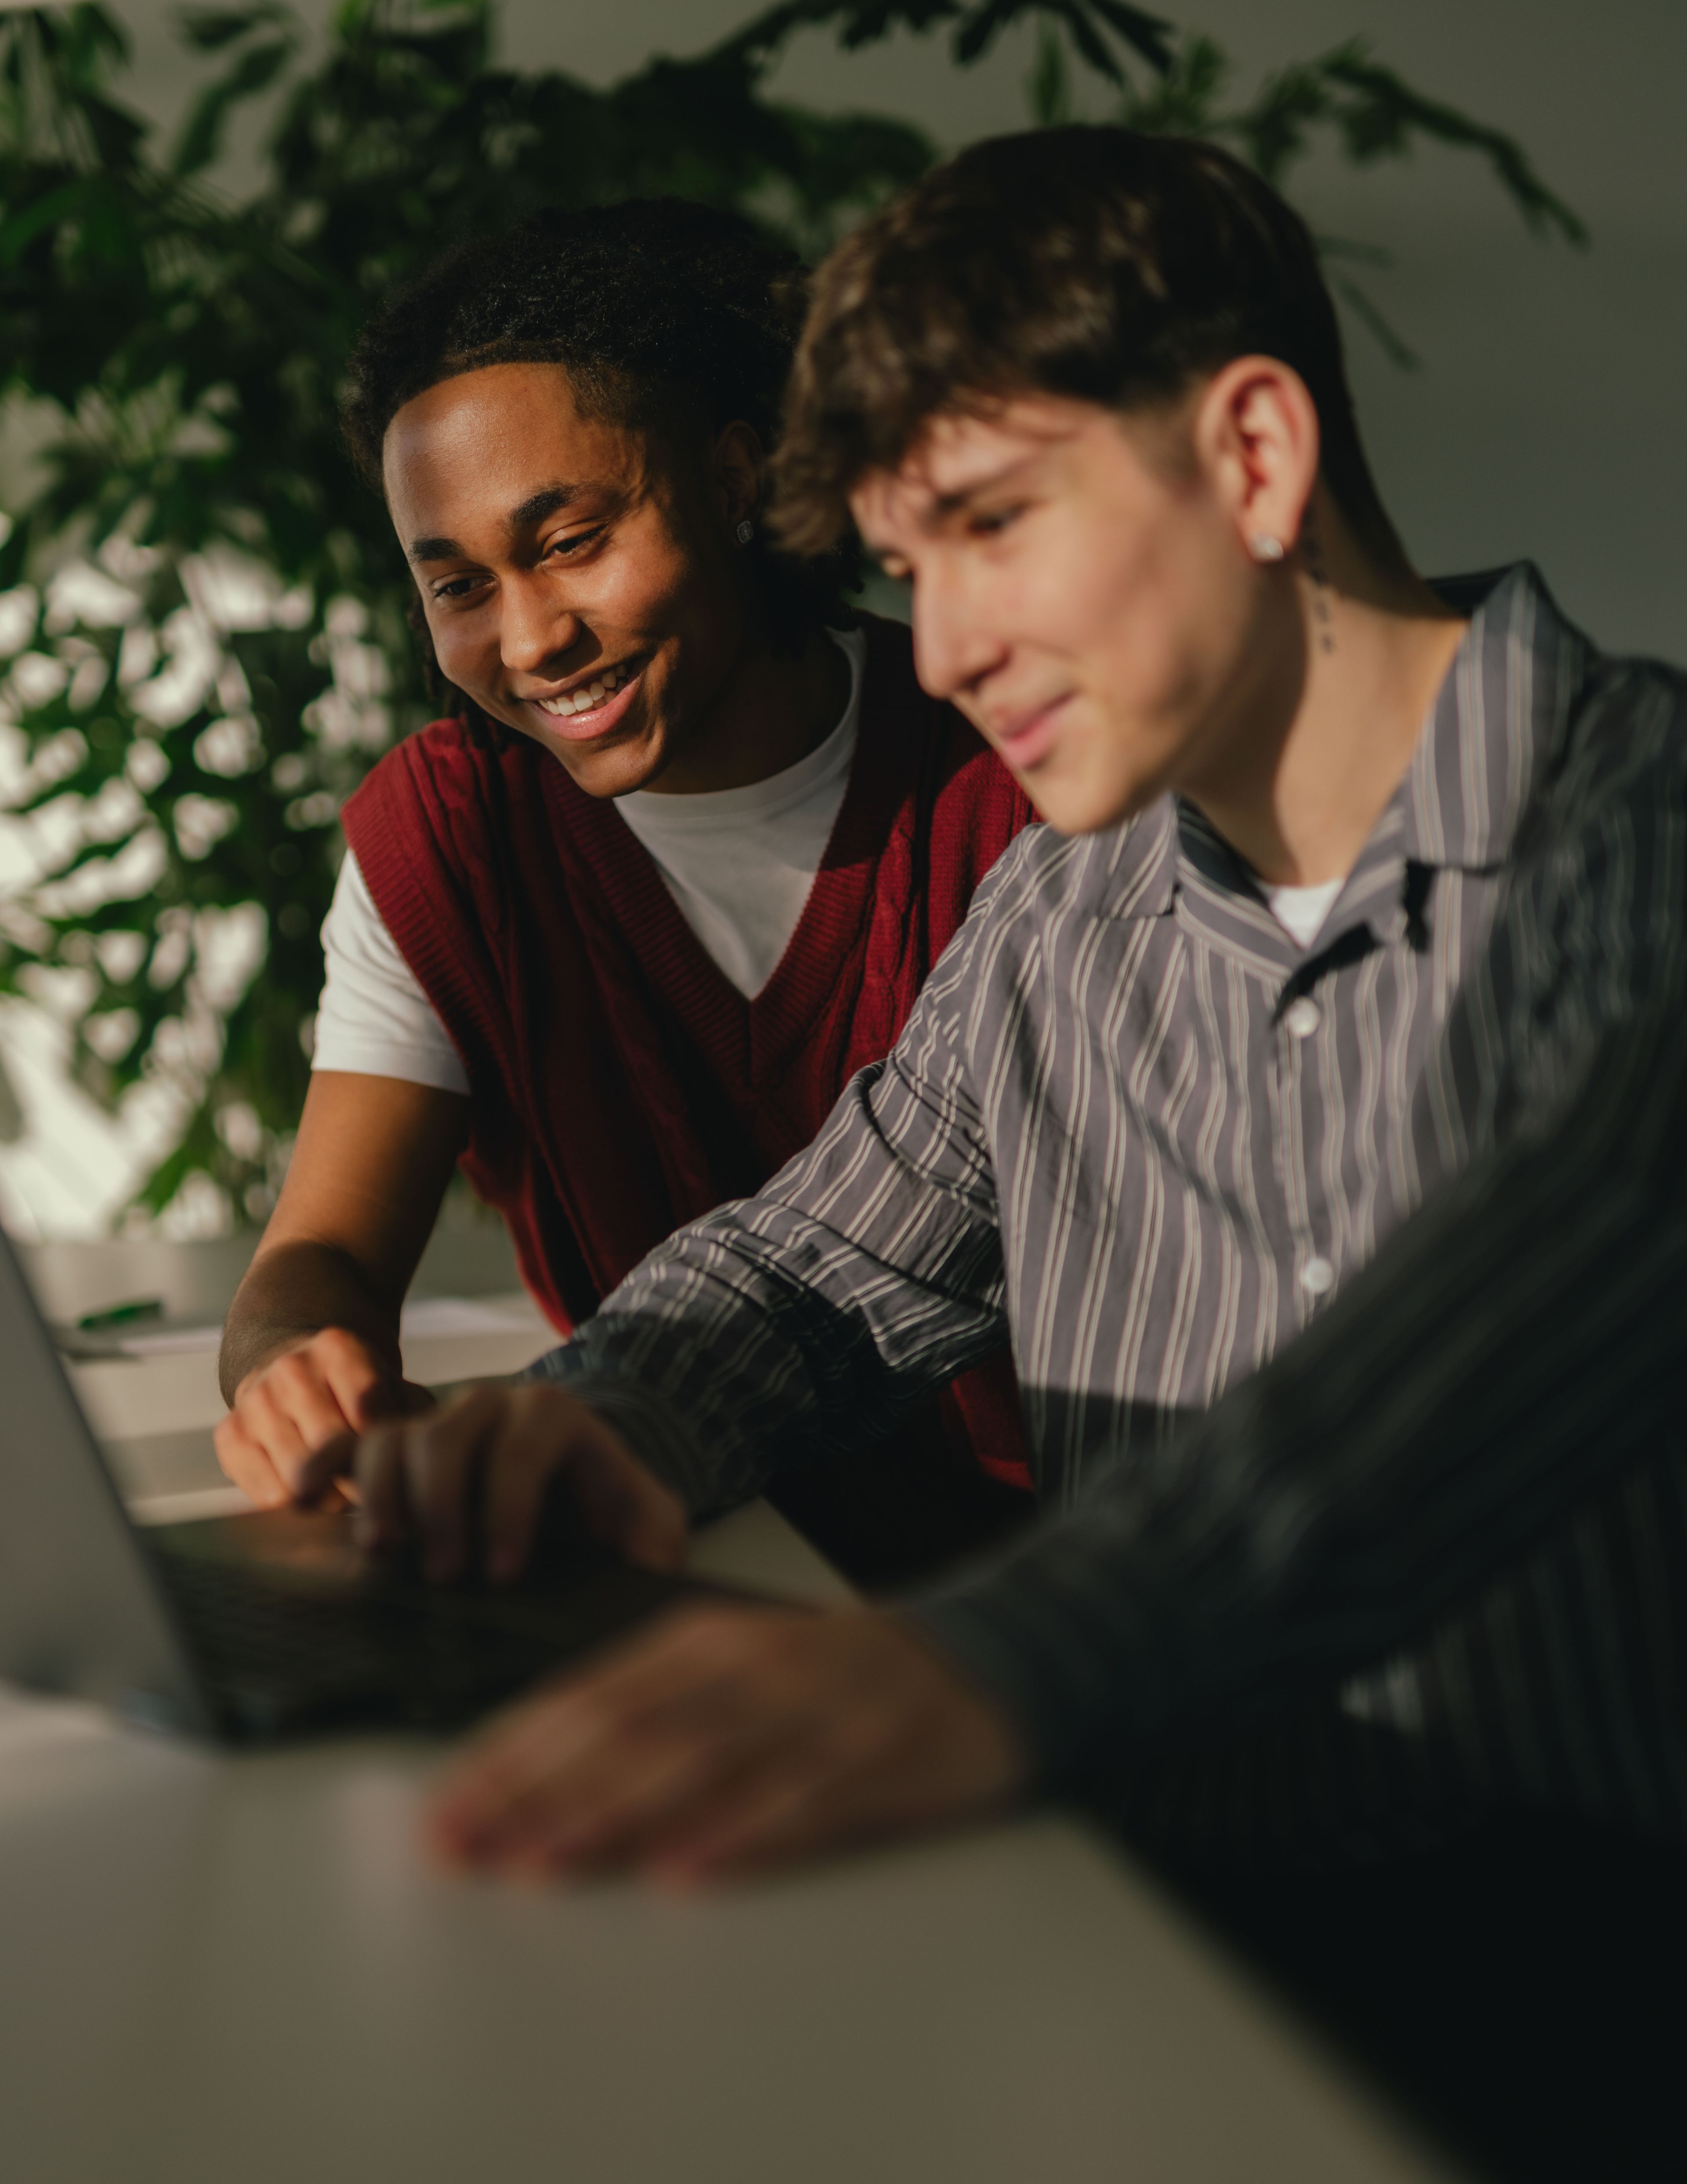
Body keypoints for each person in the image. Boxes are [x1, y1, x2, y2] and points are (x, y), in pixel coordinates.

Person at [295, 126, 1687, 1889]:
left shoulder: (1641, 831)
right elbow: (808, 1270)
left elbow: (1532, 1305)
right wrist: (592, 1417)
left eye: (991, 526)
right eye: (908, 560)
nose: (940, 649)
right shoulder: (1066, 903)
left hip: (1587, 1958)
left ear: (1254, 454)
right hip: (1155, 1923)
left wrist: (993, 1650)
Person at [212, 199, 1034, 1565]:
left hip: (1050, 1595)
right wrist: (292, 1365)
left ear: (731, 478)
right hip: (683, 1553)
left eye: (572, 541)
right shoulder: (457, 837)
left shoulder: (1016, 767)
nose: (529, 638)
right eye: (460, 584)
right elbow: (319, 1260)